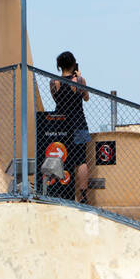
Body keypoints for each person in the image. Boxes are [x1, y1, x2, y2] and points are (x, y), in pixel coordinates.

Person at [48, 51, 92, 202]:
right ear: (74, 63)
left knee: (61, 158)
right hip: (78, 123)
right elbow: (86, 98)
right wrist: (79, 78)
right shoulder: (79, 80)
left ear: (59, 66)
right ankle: (83, 196)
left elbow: (56, 99)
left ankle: (62, 193)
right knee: (81, 161)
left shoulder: (54, 82)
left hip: (60, 124)